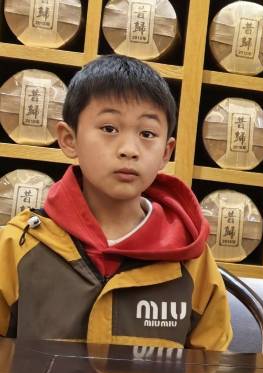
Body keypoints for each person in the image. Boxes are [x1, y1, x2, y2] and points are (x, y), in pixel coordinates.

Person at [0, 54, 232, 350]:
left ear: (165, 152)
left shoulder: (191, 259)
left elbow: (209, 365)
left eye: (147, 134)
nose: (129, 149)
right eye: (109, 129)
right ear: (69, 139)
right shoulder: (19, 245)